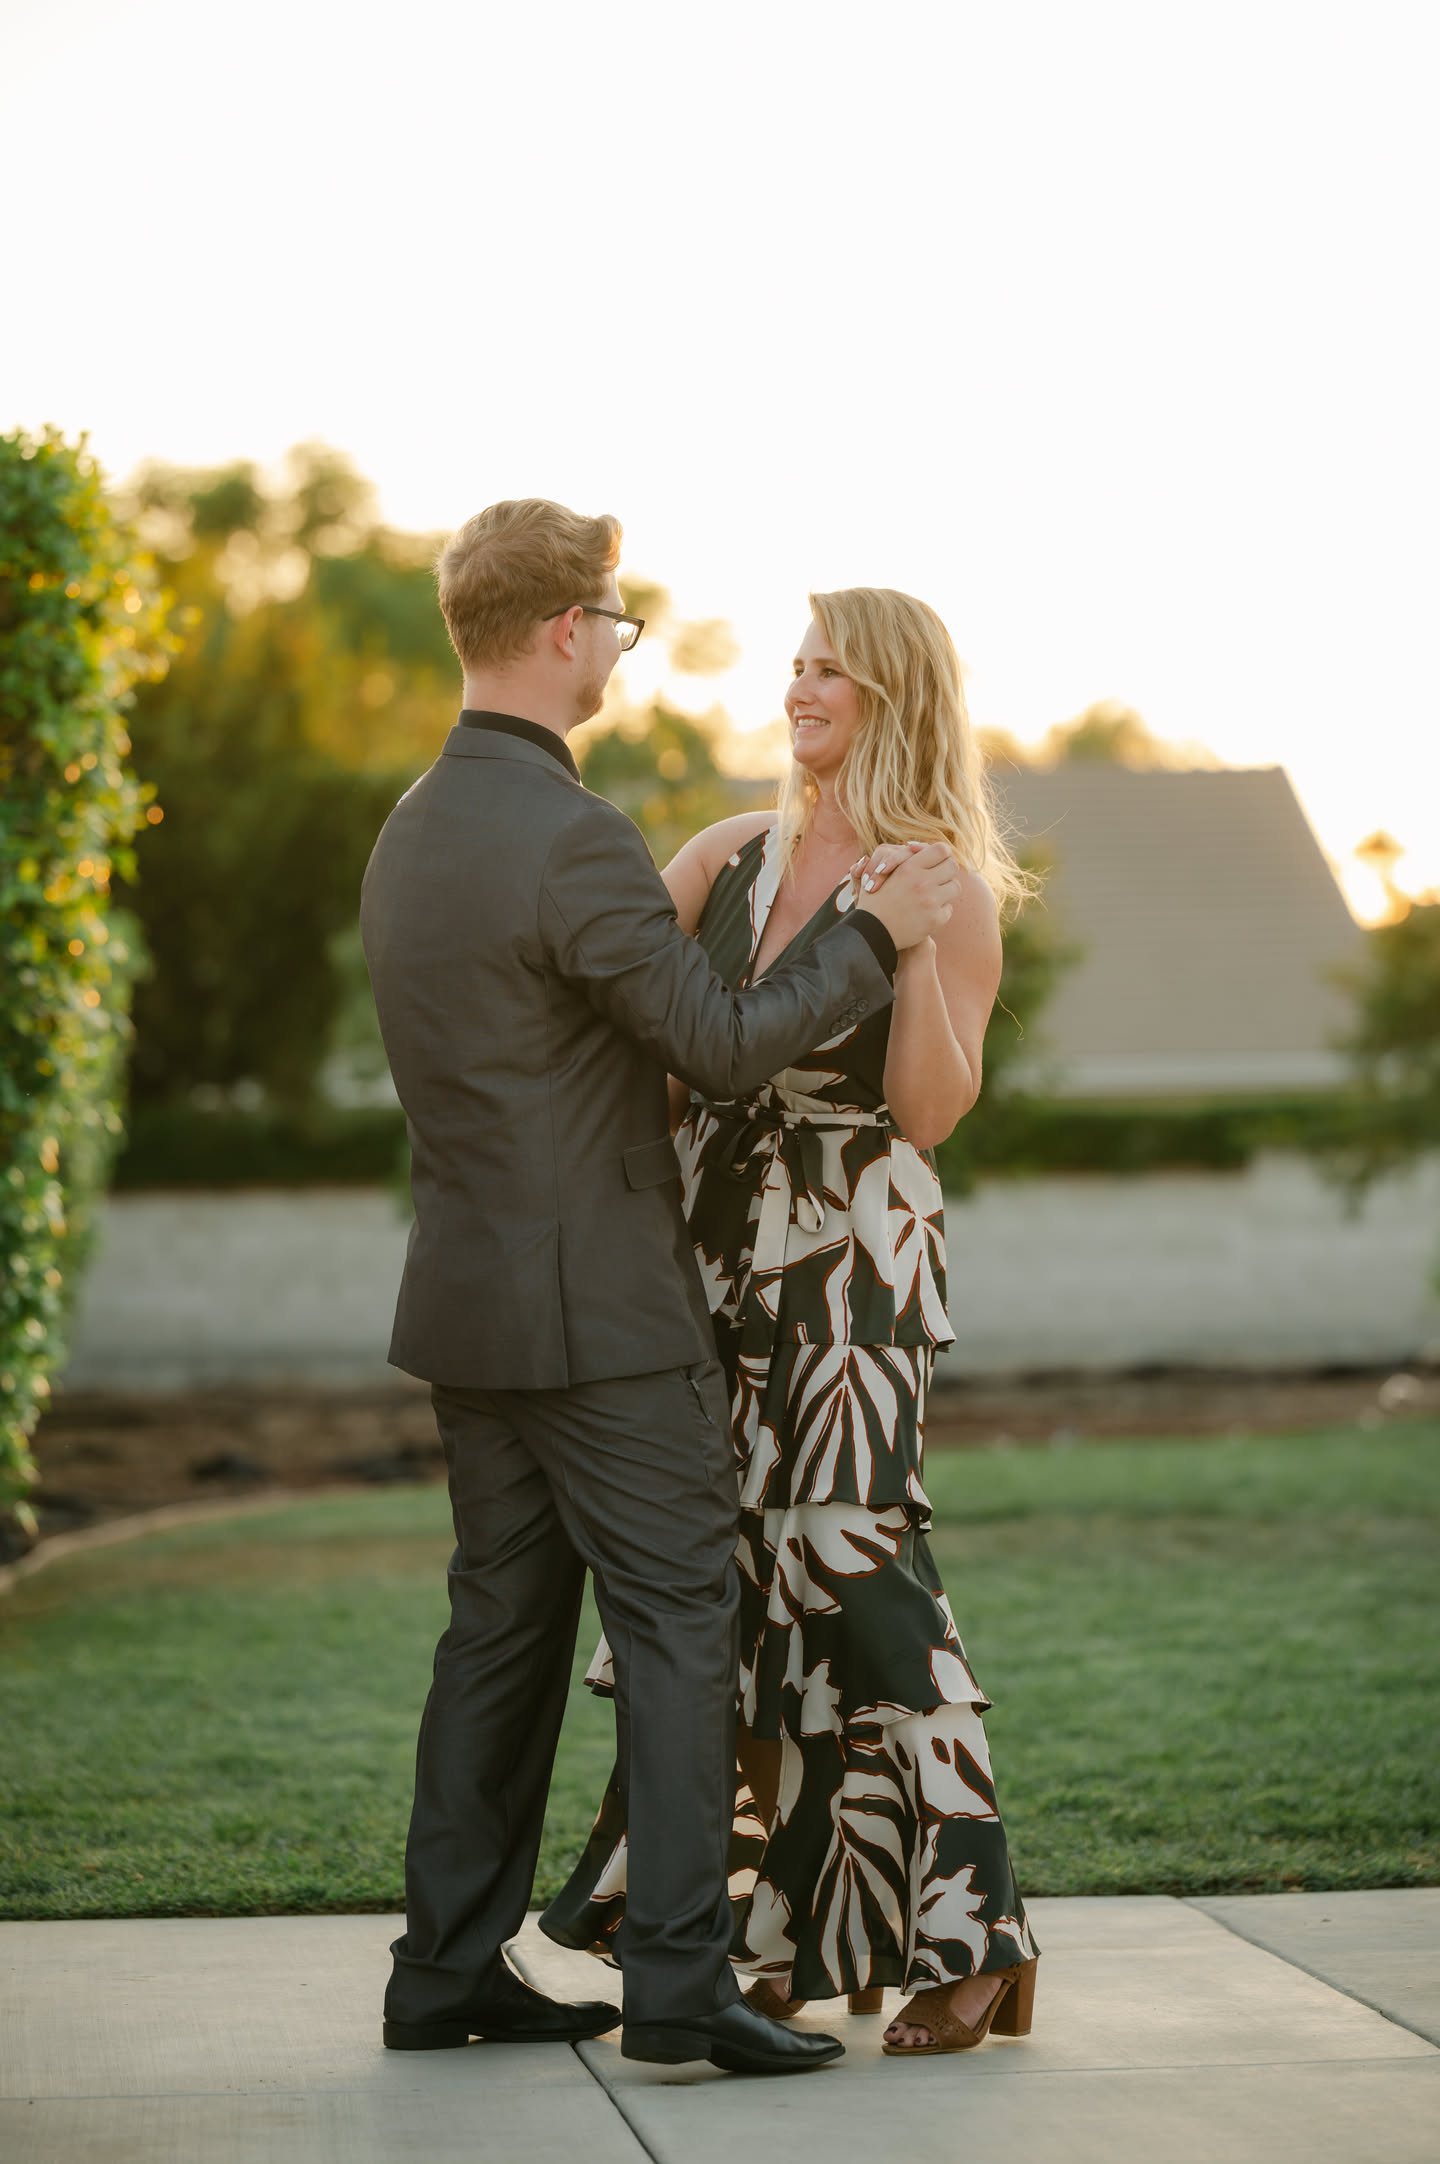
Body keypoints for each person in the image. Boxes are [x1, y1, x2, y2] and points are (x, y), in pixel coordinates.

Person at [358, 503, 961, 2077]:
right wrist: (869, 933)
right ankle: (684, 1989)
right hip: (605, 1321)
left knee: (496, 1640)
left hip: (465, 1307)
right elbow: (724, 1043)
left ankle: (443, 1972)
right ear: (568, 630)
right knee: (688, 1626)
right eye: (616, 623)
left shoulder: (413, 826)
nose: (620, 648)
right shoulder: (573, 836)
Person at [542, 585, 1039, 2057]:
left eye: (831, 669)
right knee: (734, 1600)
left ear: (894, 695)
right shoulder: (725, 857)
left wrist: (912, 938)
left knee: (858, 1579)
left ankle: (978, 1936)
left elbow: (930, 1111)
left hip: (851, 1265)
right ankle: (771, 1936)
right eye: (798, 663)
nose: (800, 687)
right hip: (702, 1261)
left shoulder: (949, 886)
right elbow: (649, 1056)